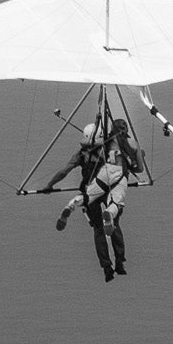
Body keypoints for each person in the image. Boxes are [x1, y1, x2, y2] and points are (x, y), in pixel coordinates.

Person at [45, 116, 142, 282]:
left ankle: (107, 268)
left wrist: (50, 185)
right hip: (110, 188)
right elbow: (124, 161)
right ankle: (119, 262)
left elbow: (64, 171)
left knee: (98, 229)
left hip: (91, 189)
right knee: (114, 221)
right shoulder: (107, 147)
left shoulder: (82, 154)